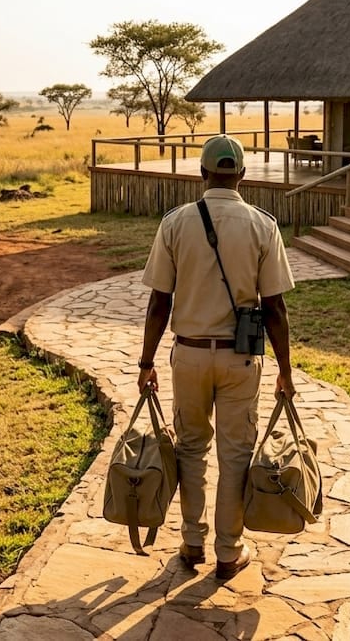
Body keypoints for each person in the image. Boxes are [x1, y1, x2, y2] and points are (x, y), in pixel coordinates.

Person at [136, 134, 295, 581]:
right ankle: (228, 551)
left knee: (190, 448)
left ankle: (191, 542)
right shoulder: (263, 225)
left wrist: (146, 362)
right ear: (241, 175)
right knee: (235, 453)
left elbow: (158, 303)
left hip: (187, 354)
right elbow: (275, 308)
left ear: (202, 174)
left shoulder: (175, 223)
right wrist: (284, 370)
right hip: (240, 360)